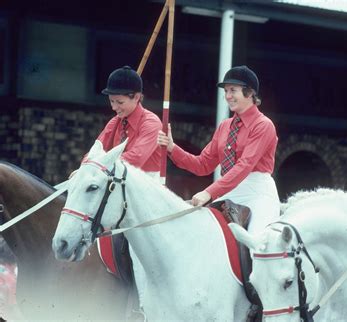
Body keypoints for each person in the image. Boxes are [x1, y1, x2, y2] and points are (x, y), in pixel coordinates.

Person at [79, 65, 163, 315]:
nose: (114, 107)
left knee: (140, 253)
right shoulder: (115, 122)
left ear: (137, 97)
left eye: (119, 101)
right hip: (115, 185)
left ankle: (144, 310)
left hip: (146, 188)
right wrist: (83, 170)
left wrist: (97, 169)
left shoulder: (152, 122)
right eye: (111, 101)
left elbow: (133, 160)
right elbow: (95, 151)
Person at [157, 65, 280, 235]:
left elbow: (244, 166)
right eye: (226, 91)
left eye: (233, 90)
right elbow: (203, 165)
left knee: (257, 245)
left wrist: (209, 192)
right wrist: (172, 148)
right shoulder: (225, 126)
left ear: (250, 93)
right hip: (228, 191)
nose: (228, 96)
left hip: (258, 195)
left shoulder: (263, 125)